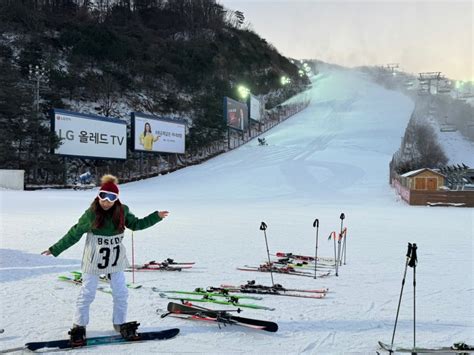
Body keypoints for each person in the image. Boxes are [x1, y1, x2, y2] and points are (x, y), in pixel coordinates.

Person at [41, 174, 169, 346]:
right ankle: (79, 326)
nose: (106, 201)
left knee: (121, 293)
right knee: (87, 293)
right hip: (93, 260)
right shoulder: (91, 214)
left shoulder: (122, 211)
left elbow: (137, 225)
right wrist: (55, 248)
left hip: (115, 259)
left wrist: (156, 216)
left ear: (116, 199)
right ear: (98, 196)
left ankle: (119, 323)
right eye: (103, 196)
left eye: (111, 198)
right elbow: (74, 233)